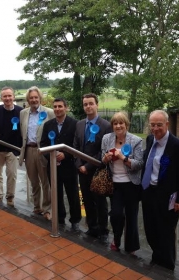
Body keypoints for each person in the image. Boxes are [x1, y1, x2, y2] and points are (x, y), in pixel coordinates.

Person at [141, 110, 179, 270]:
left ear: (167, 124)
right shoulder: (150, 139)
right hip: (149, 192)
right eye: (153, 125)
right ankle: (157, 258)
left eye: (159, 125)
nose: (155, 129)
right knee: (150, 229)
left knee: (166, 233)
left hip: (167, 197)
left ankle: (167, 266)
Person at [101, 112, 143, 253]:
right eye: (115, 123)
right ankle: (117, 239)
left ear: (126, 125)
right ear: (112, 126)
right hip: (115, 183)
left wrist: (123, 158)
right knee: (116, 214)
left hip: (131, 184)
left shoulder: (136, 140)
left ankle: (131, 246)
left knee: (131, 216)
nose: (118, 126)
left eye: (121, 123)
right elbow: (102, 157)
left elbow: (139, 164)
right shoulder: (107, 138)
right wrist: (105, 158)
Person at [73, 93, 112, 241]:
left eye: (91, 103)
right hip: (82, 170)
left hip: (98, 170)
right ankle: (92, 227)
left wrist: (88, 166)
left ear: (97, 105)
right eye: (85, 104)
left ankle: (103, 230)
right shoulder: (79, 124)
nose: (88, 106)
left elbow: (104, 150)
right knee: (87, 200)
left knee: (100, 202)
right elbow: (75, 146)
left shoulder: (106, 126)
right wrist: (79, 165)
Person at [40, 98, 81, 230]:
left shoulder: (75, 124)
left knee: (72, 194)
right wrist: (51, 155)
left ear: (66, 108)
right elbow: (43, 144)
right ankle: (60, 218)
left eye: (60, 106)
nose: (57, 109)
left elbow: (77, 145)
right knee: (56, 194)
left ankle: (75, 220)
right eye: (55, 107)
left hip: (69, 165)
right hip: (52, 166)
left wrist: (66, 154)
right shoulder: (48, 125)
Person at [19, 86, 55, 220]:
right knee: (33, 180)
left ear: (40, 98)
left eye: (36, 97)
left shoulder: (49, 112)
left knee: (45, 181)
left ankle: (47, 209)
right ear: (28, 99)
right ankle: (37, 206)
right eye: (31, 98)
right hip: (28, 150)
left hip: (43, 151)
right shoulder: (23, 113)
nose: (33, 100)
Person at [0, 87, 23, 206]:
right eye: (5, 96)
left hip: (13, 149)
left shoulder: (21, 111)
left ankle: (10, 197)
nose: (7, 98)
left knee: (12, 175)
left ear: (13, 97)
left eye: (9, 96)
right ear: (1, 98)